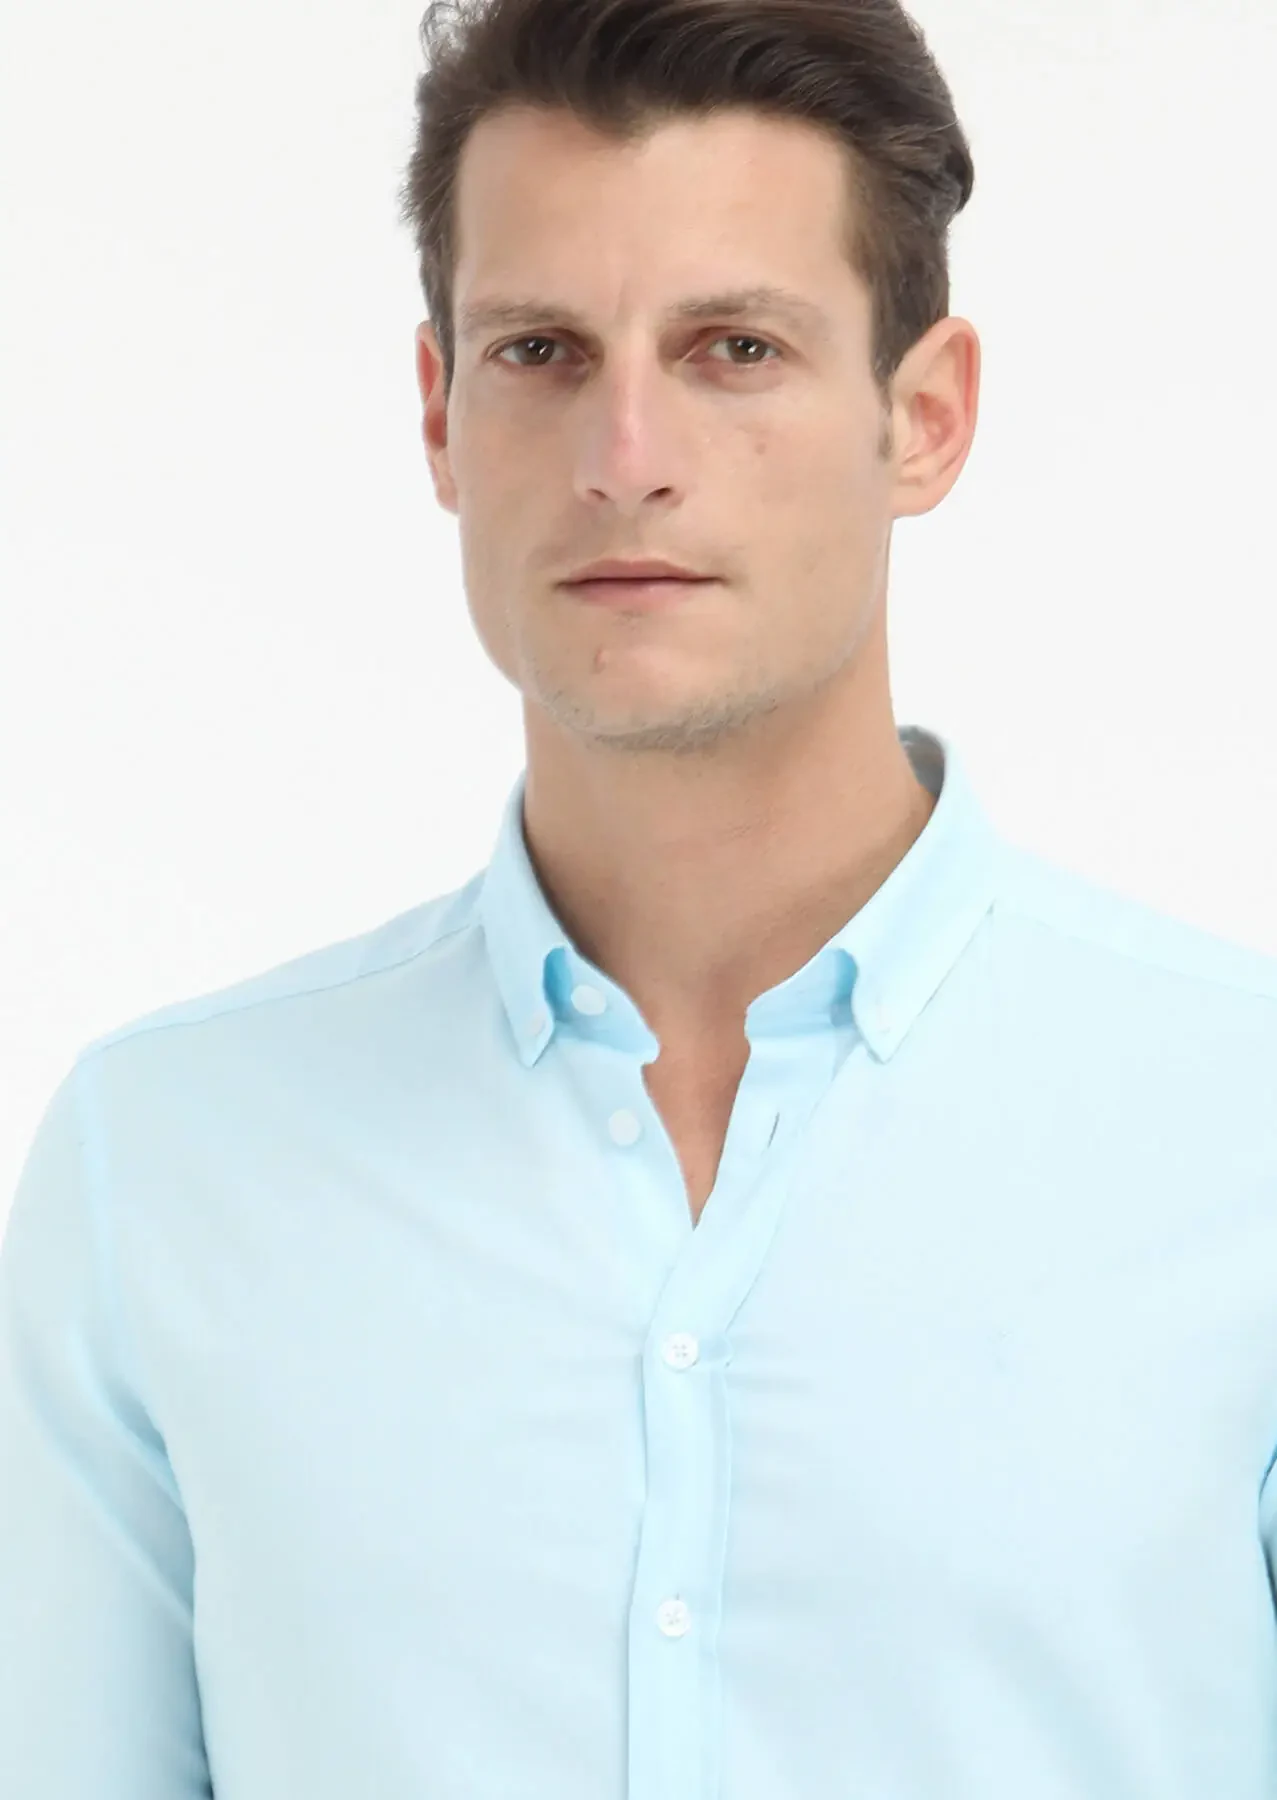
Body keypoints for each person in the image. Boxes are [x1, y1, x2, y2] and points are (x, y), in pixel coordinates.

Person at [3, 0, 1277, 1794]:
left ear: (924, 418)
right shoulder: (169, 1169)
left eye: (733, 348)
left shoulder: (1242, 1138)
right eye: (539, 350)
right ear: (441, 417)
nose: (624, 452)